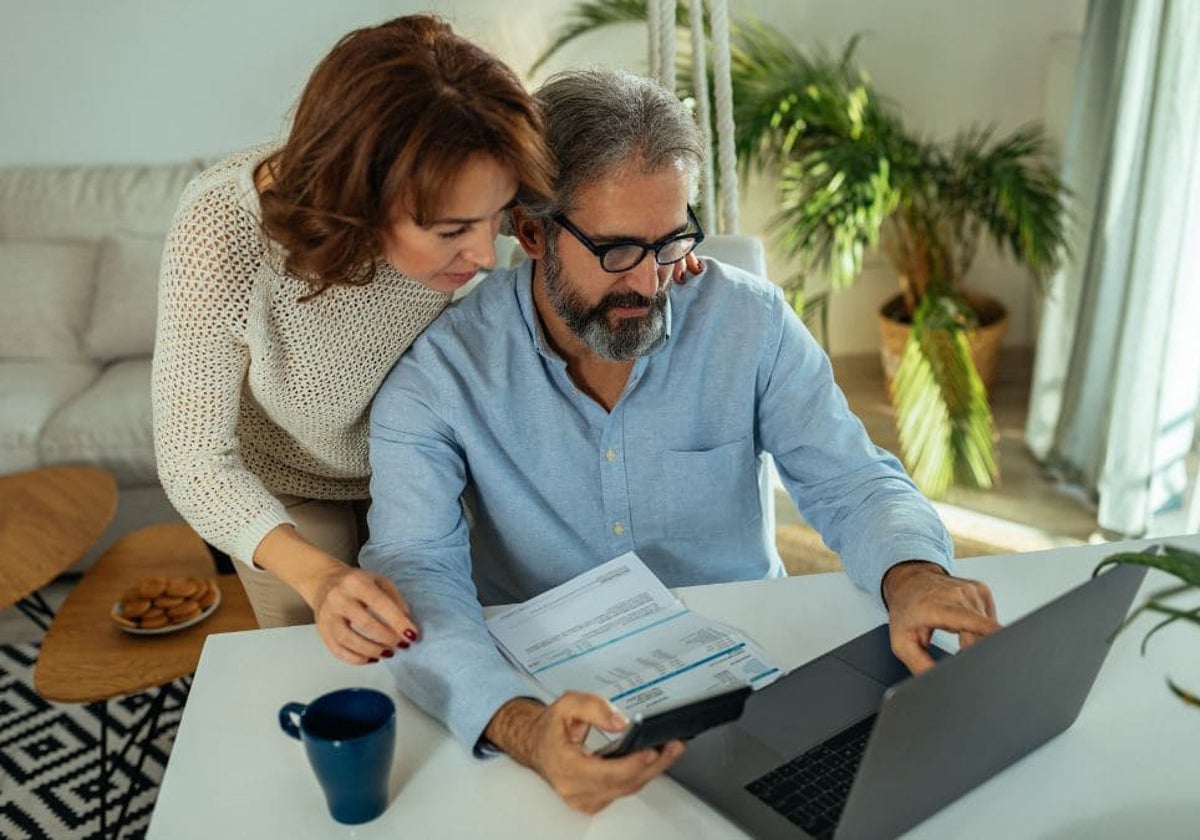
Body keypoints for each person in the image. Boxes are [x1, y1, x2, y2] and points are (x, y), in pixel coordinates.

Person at [359, 68, 1000, 813]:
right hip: (547, 696)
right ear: (531, 231)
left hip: (753, 683)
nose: (653, 281)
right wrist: (521, 727)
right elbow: (416, 570)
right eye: (618, 251)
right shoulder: (440, 374)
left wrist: (914, 576)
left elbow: (852, 482)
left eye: (671, 242)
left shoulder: (749, 324)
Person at [150, 15, 559, 666]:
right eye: (453, 230)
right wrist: (318, 579)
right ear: (360, 200)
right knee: (319, 669)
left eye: (495, 217)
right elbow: (194, 462)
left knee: (450, 652)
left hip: (421, 459)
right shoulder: (224, 233)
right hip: (288, 488)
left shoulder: (471, 180)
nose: (486, 253)